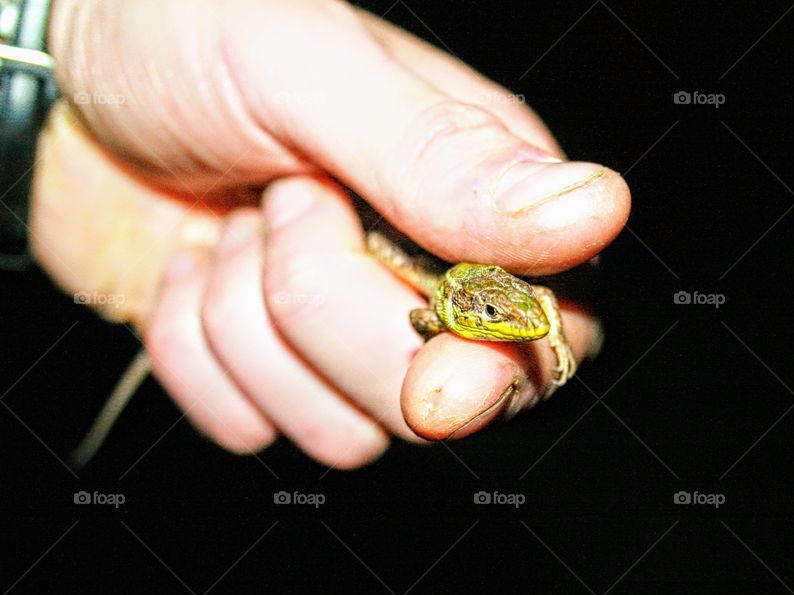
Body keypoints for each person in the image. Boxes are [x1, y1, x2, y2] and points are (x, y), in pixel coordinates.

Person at [29, 0, 631, 468]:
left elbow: (528, 306)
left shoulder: (503, 298)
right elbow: (422, 321)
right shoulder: (448, 303)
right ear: (470, 307)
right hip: (366, 224)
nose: (523, 320)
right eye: (504, 314)